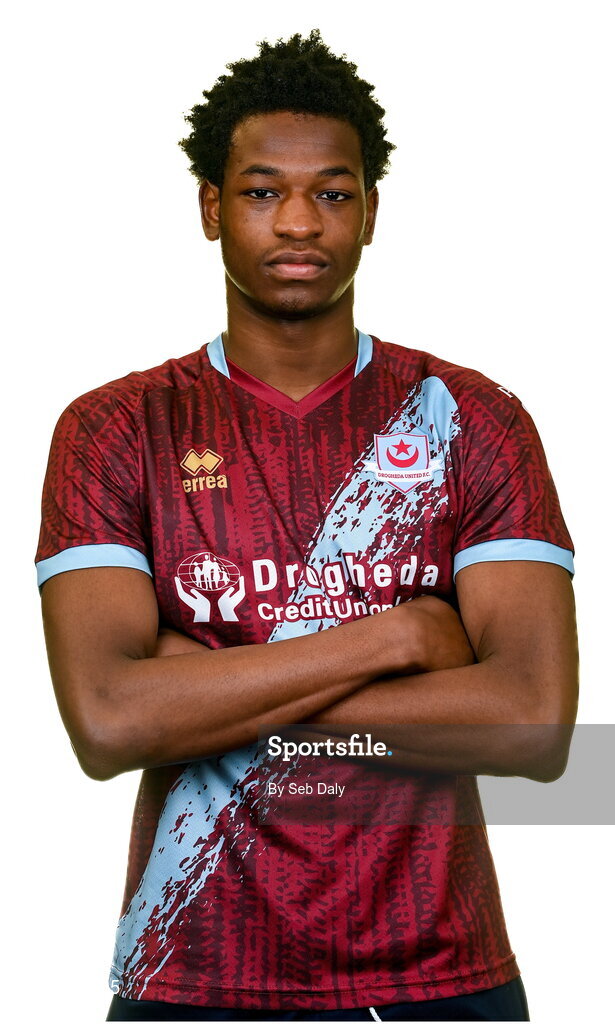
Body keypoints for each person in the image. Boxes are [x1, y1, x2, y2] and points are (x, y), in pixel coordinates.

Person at [35, 29, 578, 1023]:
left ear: (371, 211)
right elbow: (112, 720)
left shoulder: (473, 417)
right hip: (191, 976)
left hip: (436, 977)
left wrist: (198, 684)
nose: (298, 221)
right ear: (210, 207)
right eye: (258, 190)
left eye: (332, 192)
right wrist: (399, 637)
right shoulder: (114, 429)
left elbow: (533, 720)